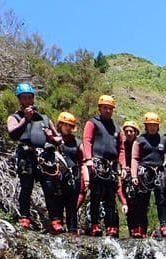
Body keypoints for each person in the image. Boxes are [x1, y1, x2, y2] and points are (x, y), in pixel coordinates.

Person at [6, 82, 62, 231]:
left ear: (33, 99)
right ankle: (24, 217)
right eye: (24, 98)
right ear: (19, 99)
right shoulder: (15, 117)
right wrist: (25, 119)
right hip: (26, 156)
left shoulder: (44, 118)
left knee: (50, 189)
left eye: (29, 98)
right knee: (26, 188)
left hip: (44, 157)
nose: (27, 101)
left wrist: (52, 137)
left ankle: (55, 220)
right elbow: (12, 133)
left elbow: (58, 139)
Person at [82, 94, 127, 237]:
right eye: (105, 108)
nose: (108, 110)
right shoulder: (92, 123)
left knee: (110, 197)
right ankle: (94, 224)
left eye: (110, 108)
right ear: (100, 108)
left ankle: (110, 226)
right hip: (97, 163)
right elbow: (87, 140)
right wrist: (89, 159)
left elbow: (121, 149)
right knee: (95, 195)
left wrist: (124, 166)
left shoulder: (116, 128)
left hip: (112, 166)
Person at [130, 112, 166, 239]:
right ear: (146, 126)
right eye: (150, 125)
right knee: (142, 201)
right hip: (145, 173)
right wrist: (134, 176)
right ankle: (140, 228)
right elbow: (134, 158)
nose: (152, 127)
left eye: (154, 125)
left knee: (162, 199)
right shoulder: (140, 140)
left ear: (158, 126)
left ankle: (165, 225)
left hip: (159, 172)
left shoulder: (163, 140)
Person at [54, 111, 83, 236]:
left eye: (71, 126)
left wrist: (84, 178)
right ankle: (58, 228)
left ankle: (72, 230)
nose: (69, 128)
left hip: (73, 176)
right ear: (60, 124)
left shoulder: (77, 142)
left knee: (71, 205)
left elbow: (82, 160)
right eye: (66, 125)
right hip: (57, 176)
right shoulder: (54, 140)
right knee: (58, 202)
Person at [121, 120, 142, 237]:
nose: (129, 133)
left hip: (139, 177)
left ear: (136, 133)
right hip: (126, 177)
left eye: (131, 131)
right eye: (127, 131)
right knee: (128, 203)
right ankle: (132, 230)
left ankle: (140, 228)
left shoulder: (140, 144)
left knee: (140, 204)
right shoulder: (122, 145)